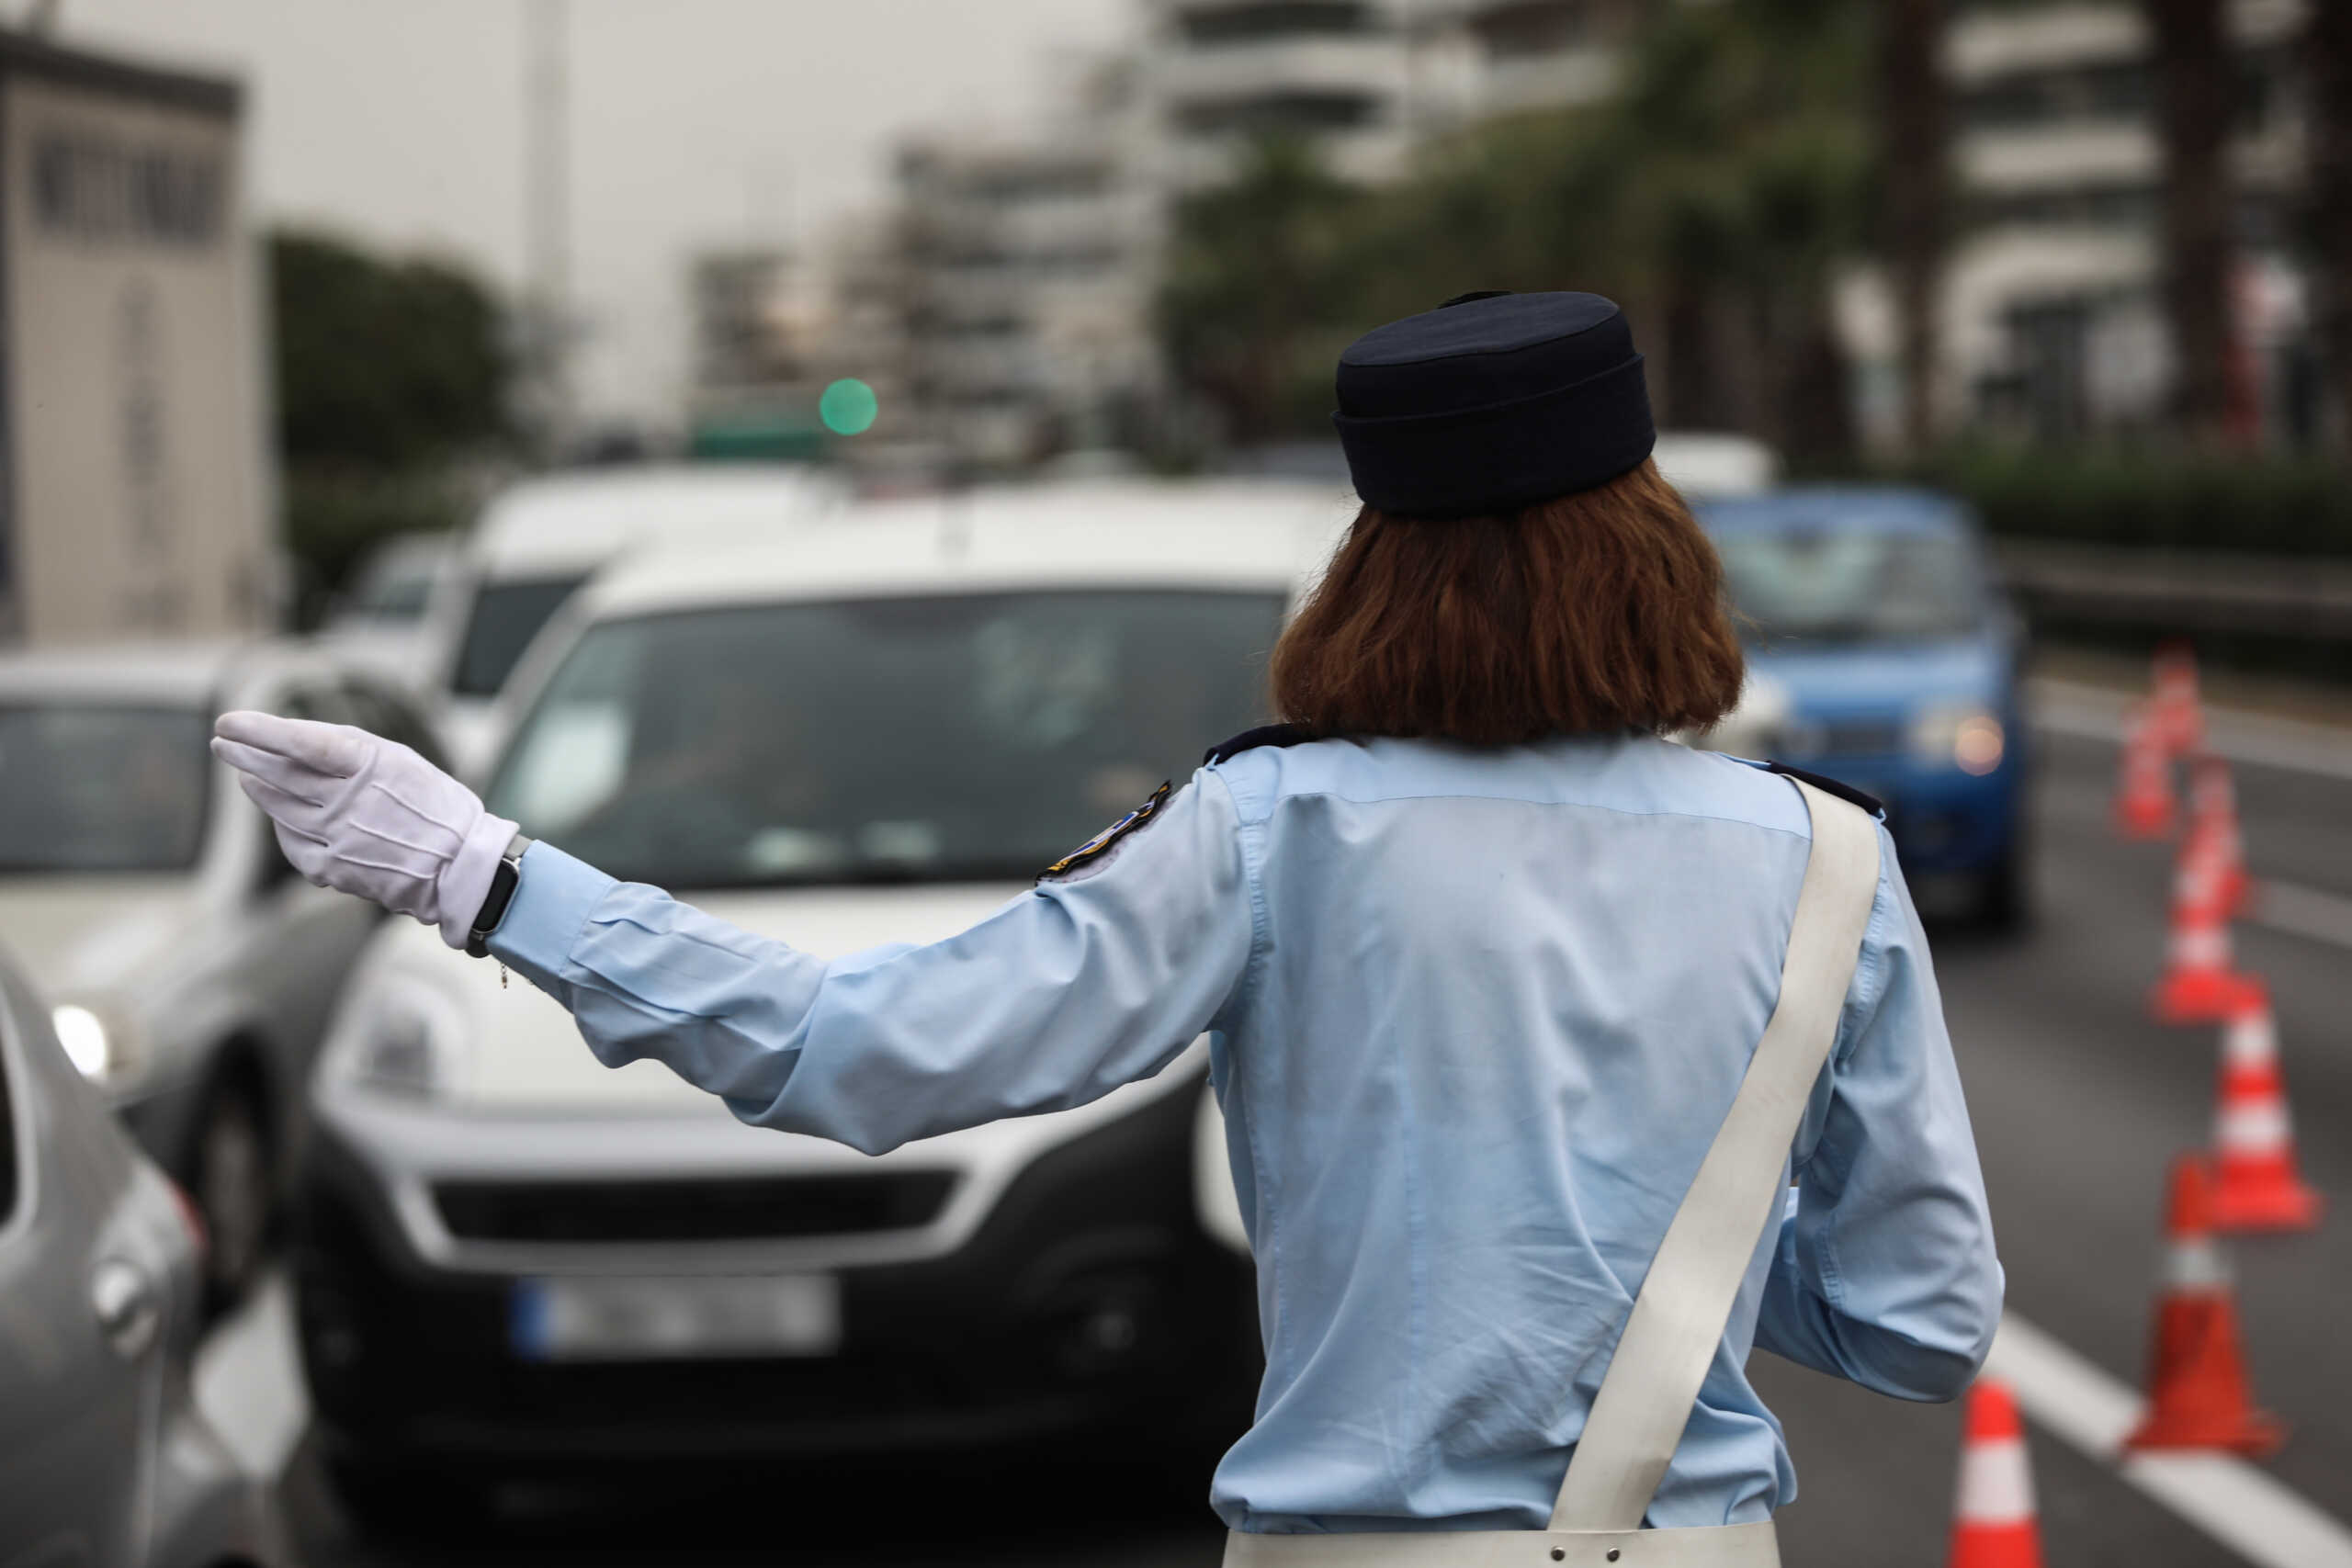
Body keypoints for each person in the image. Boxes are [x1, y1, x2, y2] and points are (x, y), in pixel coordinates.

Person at [215, 291, 2000, 1563]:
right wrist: (1641, 1252)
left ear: (1369, 570)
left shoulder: (1271, 830)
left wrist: (485, 871)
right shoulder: (1820, 858)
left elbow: (856, 1054)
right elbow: (1921, 1321)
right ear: (1655, 550)